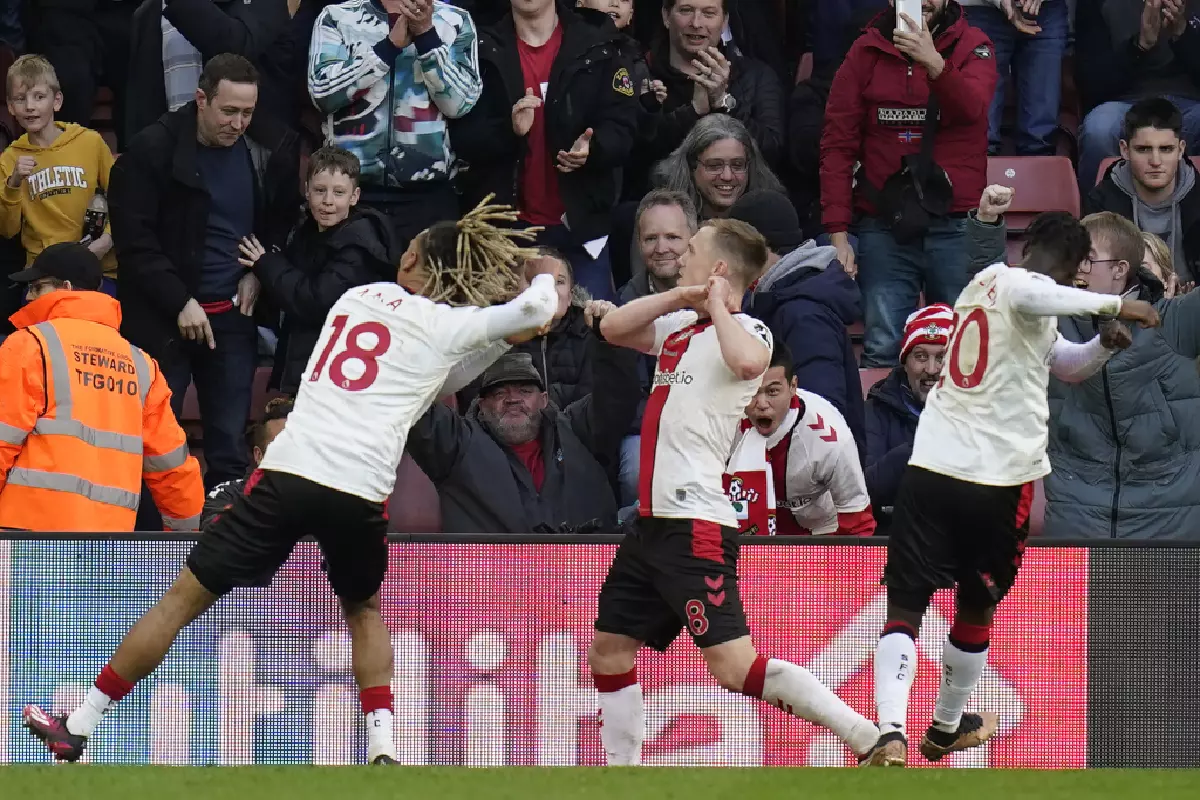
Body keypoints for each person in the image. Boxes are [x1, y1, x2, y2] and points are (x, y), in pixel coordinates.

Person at [21, 198, 561, 765]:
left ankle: (79, 725)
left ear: (413, 260)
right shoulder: (448, 325)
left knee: (180, 602)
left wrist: (499, 336)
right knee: (364, 612)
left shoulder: (356, 299)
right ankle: (384, 749)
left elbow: (427, 372)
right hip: (359, 490)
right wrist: (540, 287)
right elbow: (527, 313)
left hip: (292, 470)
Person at [862, 212, 1161, 767]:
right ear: (1072, 269)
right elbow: (1038, 291)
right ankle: (939, 724)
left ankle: (897, 730)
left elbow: (1065, 366)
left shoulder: (987, 289)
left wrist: (1102, 345)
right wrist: (1118, 305)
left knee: (906, 602)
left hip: (931, 467)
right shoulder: (1021, 284)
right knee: (975, 605)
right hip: (997, 479)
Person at [587, 218, 881, 766]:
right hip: (652, 522)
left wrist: (720, 304)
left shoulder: (752, 330)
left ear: (719, 268)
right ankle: (619, 777)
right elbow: (614, 329)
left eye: (692, 250)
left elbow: (749, 363)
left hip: (693, 522)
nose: (681, 255)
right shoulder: (678, 325)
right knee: (608, 652)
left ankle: (865, 736)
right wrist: (683, 295)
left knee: (732, 666)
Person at [109, 54, 300, 492]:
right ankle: (147, 551)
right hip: (163, 321)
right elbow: (135, 242)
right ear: (200, 99)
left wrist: (261, 270)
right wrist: (179, 300)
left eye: (247, 112)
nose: (238, 123)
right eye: (228, 111)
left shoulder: (268, 147)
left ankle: (223, 545)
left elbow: (282, 221)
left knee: (229, 446)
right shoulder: (151, 151)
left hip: (232, 319)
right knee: (154, 443)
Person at [821, 0, 996, 367]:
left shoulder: (974, 45)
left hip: (956, 224)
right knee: (883, 350)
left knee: (962, 352)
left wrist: (934, 63)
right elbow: (838, 144)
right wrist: (838, 233)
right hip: (886, 226)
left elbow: (973, 110)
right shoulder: (865, 50)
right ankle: (883, 426)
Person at [0, 242, 203, 532]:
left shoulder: (30, 346)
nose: (28, 297)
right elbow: (173, 468)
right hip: (108, 544)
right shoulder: (140, 364)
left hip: (26, 540)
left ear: (65, 287)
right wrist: (188, 546)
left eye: (36, 287)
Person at [449, 0, 637, 301]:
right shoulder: (478, 45)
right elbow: (462, 136)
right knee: (505, 343)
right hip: (503, 235)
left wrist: (594, 147)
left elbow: (624, 126)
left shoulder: (598, 41)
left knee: (593, 336)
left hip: (582, 230)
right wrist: (509, 131)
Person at [1044, 212, 1200, 540]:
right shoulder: (1052, 321)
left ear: (1120, 270)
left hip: (1168, 508)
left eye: (1087, 259)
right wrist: (986, 226)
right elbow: (996, 296)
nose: (1077, 268)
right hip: (1076, 503)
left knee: (1163, 595)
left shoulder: (1172, 320)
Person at [406, 321, 641, 534]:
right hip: (490, 576)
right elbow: (410, 400)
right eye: (499, 393)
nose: (513, 399)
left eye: (525, 391)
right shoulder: (456, 443)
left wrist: (610, 341)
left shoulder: (577, 430)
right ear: (482, 404)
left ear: (544, 399)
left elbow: (617, 395)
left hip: (582, 572)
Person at [308, 0, 482, 248]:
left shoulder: (455, 20)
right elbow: (322, 95)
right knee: (352, 287)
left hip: (428, 195)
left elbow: (460, 104)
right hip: (352, 195)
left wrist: (427, 37)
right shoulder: (337, 17)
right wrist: (387, 49)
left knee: (425, 286)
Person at [237, 146, 397, 395]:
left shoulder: (358, 245)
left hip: (341, 375)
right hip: (313, 365)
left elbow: (315, 301)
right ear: (307, 190)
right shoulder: (307, 232)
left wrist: (265, 264)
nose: (328, 201)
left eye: (339, 193)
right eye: (320, 191)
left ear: (354, 197)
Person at [729, 189, 866, 465]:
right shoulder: (782, 299)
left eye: (734, 248)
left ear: (758, 248)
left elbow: (821, 416)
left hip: (812, 485)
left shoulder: (804, 313)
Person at [725, 344, 875, 537]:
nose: (761, 404)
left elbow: (858, 524)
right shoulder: (721, 421)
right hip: (742, 535)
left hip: (818, 536)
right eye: (752, 391)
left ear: (793, 386)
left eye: (772, 392)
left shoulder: (830, 439)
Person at [0, 55, 116, 292]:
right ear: (11, 107)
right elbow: (7, 229)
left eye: (39, 97)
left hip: (94, 268)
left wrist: (107, 240)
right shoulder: (10, 158)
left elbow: (124, 199)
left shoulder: (89, 142)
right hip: (44, 275)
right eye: (21, 99)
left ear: (57, 101)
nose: (30, 106)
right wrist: (13, 183)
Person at [615, 189, 699, 510]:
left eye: (673, 237)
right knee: (636, 472)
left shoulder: (719, 293)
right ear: (638, 243)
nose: (661, 248)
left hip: (713, 423)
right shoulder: (624, 305)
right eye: (651, 239)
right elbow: (625, 395)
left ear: (693, 237)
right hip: (648, 427)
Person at [1074, 0, 1200, 195]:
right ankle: (1099, 217)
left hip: (1190, 104)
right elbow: (1092, 85)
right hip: (1124, 102)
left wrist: (1182, 33)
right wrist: (1140, 45)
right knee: (1099, 129)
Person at [125, 0, 291, 145]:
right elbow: (139, 100)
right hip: (173, 156)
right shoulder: (149, 11)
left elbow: (234, 49)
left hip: (249, 155)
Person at [1086, 98, 1200, 286]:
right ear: (1125, 150)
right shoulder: (1100, 204)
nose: (1155, 161)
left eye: (1166, 149)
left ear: (1181, 150)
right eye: (1143, 149)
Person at [863, 303, 954, 525]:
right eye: (921, 357)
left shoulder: (980, 416)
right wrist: (921, 444)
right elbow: (865, 490)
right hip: (890, 541)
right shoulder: (875, 412)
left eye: (942, 357)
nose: (931, 370)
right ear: (905, 363)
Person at [961, 0, 1070, 155]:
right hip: (979, 8)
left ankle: (1037, 176)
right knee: (979, 135)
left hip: (1047, 10)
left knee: (1040, 138)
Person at [24, 0, 134, 150]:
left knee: (143, 75)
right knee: (70, 80)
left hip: (126, 12)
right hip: (64, 13)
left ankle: (136, 166)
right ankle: (66, 164)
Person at [653, 114, 784, 221]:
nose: (727, 176)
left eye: (737, 165)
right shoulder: (662, 215)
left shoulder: (770, 218)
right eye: (714, 166)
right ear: (692, 166)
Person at [201, 396, 294, 529]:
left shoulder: (326, 496)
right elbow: (217, 537)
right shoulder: (228, 493)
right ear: (259, 455)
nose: (291, 455)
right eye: (280, 447)